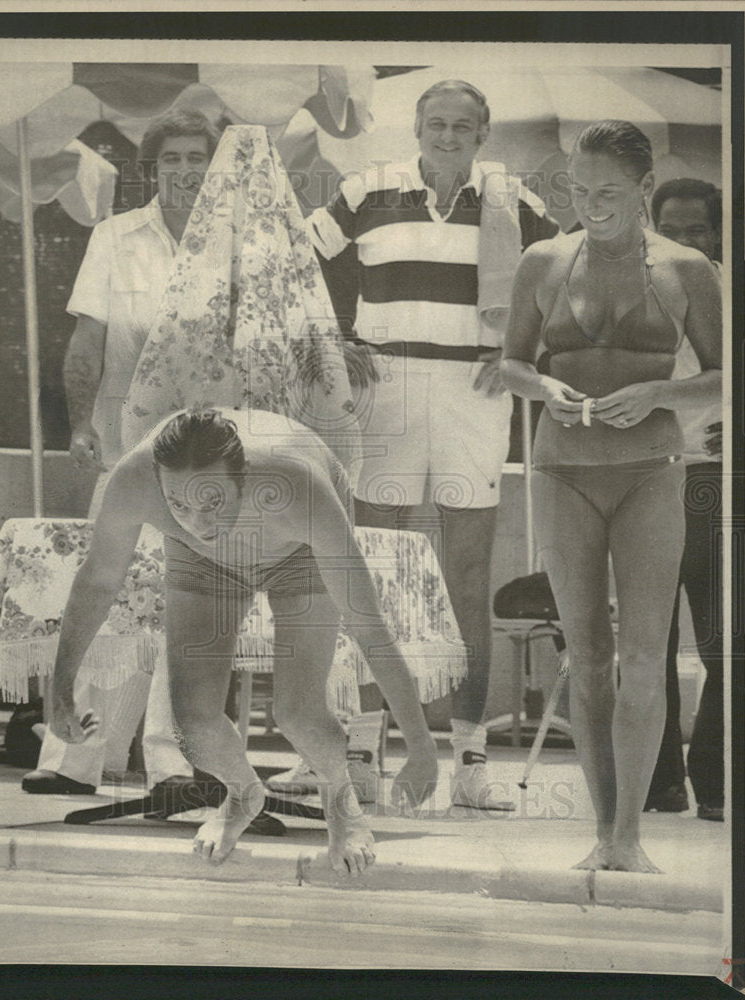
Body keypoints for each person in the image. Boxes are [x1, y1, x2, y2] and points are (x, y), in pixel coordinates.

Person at [304, 79, 559, 810]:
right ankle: (363, 751)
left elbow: (565, 280)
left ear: (483, 134)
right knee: (372, 567)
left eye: (462, 126)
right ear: (417, 128)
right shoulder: (367, 190)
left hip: (474, 391)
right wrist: (335, 342)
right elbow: (295, 264)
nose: (448, 136)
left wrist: (521, 350)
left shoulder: (513, 201)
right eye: (436, 123)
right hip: (384, 385)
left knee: (466, 575)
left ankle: (470, 764)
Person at [49, 407, 439, 874]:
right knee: (193, 725)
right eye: (179, 505)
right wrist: (60, 689)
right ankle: (242, 794)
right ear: (159, 482)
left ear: (245, 477)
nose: (198, 521)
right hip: (202, 562)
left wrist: (421, 747)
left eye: (214, 502)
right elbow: (98, 580)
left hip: (298, 553)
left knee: (298, 713)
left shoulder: (297, 488)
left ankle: (341, 801)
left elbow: (368, 625)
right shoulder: (135, 479)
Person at [500, 121, 721, 872]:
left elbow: (727, 377)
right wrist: (543, 385)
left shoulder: (687, 268)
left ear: (644, 188)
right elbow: (510, 363)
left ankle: (631, 835)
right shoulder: (542, 260)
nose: (589, 205)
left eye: (607, 193)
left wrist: (660, 392)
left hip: (651, 469)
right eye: (578, 190)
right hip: (562, 470)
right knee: (589, 657)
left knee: (645, 656)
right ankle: (602, 836)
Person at [23, 111, 220, 795]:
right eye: (172, 160)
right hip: (124, 446)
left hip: (208, 455)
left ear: (215, 168)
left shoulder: (238, 245)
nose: (186, 171)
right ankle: (77, 758)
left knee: (186, 601)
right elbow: (87, 342)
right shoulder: (113, 236)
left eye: (197, 158)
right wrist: (80, 424)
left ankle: (172, 762)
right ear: (152, 169)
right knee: (108, 592)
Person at [644, 179, 724, 821]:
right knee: (650, 640)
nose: (684, 241)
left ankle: (718, 781)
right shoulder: (634, 290)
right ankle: (660, 780)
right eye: (670, 229)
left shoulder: (740, 293)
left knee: (725, 640)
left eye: (697, 229)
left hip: (717, 480)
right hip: (647, 475)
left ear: (718, 233)